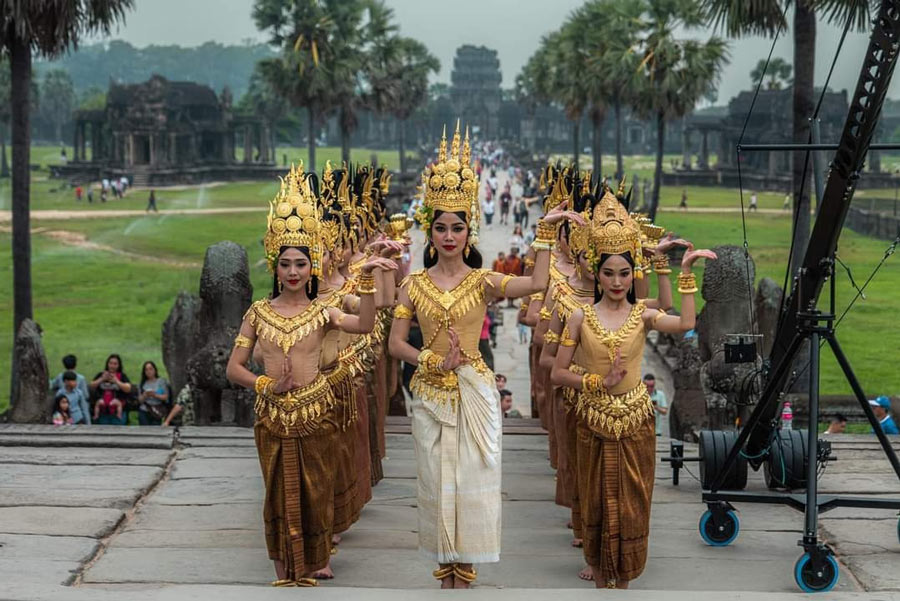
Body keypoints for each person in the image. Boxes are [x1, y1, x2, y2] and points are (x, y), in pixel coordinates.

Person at [388, 123, 582, 589]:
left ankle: (468, 555)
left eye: (457, 227)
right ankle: (444, 556)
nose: (449, 235)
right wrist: (434, 361)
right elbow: (396, 344)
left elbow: (536, 285)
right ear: (429, 231)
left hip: (474, 388)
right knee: (435, 479)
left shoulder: (484, 282)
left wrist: (542, 235)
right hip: (432, 390)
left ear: (469, 230)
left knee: (477, 474)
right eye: (440, 227)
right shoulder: (414, 285)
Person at [225, 162, 396, 588]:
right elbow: (234, 369)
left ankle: (311, 565)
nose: (294, 272)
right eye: (286, 264)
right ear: (274, 267)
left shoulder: (323, 310)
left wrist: (372, 281)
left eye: (301, 263)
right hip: (271, 416)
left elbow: (363, 326)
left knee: (316, 493)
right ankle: (283, 573)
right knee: (276, 498)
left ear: (312, 265)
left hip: (316, 411)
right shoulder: (258, 313)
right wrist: (264, 384)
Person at [551, 187, 715, 589]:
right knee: (594, 504)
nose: (617, 281)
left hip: (635, 422)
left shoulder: (643, 315)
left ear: (631, 274)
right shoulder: (579, 317)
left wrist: (686, 273)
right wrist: (595, 381)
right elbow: (557, 372)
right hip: (592, 419)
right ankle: (600, 575)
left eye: (624, 273)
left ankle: (622, 584)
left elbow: (686, 324)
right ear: (596, 272)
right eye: (609, 273)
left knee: (630, 507)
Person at [91, 354, 132, 425]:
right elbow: (91, 386)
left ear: (119, 365)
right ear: (107, 364)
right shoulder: (102, 374)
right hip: (103, 412)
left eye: (115, 364)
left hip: (118, 413)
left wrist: (116, 381)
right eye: (110, 363)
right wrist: (101, 379)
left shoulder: (122, 376)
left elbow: (128, 388)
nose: (112, 366)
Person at [138, 361, 169, 426]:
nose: (149, 371)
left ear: (155, 370)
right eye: (146, 370)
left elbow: (165, 397)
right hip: (144, 411)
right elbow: (139, 400)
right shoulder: (142, 383)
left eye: (151, 369)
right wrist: (145, 395)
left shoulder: (161, 381)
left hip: (157, 411)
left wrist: (155, 395)